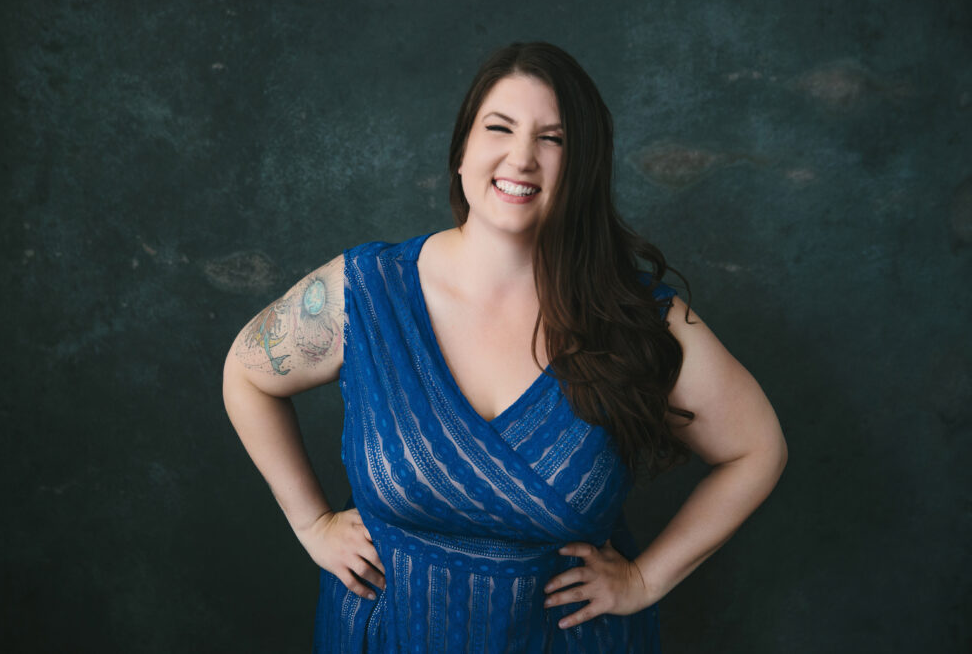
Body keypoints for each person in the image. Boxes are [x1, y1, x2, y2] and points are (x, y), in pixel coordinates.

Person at [222, 42, 787, 652]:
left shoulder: (636, 318)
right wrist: (311, 523)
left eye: (555, 139)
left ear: (584, 168)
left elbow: (758, 448)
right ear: (462, 149)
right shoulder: (364, 291)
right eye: (499, 127)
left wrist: (646, 579)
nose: (522, 157)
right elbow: (246, 374)